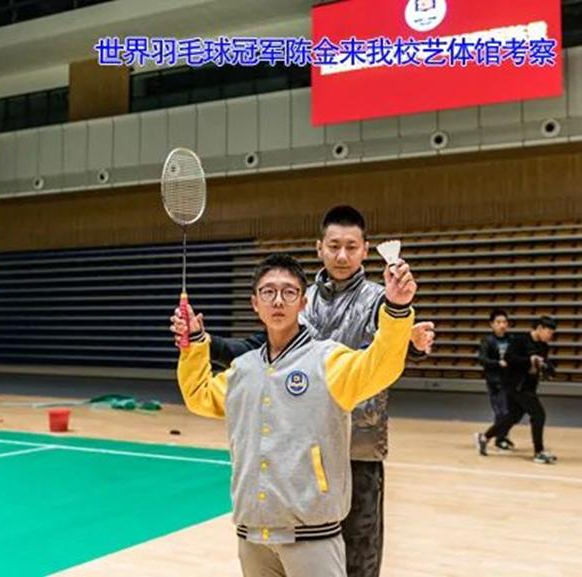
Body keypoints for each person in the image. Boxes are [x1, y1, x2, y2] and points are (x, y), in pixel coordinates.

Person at [171, 205, 434, 577]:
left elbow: (379, 363)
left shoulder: (374, 302)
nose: (279, 301)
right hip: (265, 509)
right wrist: (198, 342)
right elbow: (224, 376)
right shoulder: (257, 356)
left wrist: (400, 314)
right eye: (334, 246)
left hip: (355, 446)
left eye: (351, 247)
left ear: (365, 249)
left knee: (360, 560)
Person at [477, 316, 558, 464]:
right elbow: (509, 359)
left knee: (513, 417)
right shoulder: (520, 340)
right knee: (538, 415)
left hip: (529, 386)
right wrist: (529, 360)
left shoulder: (543, 346)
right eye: (548, 332)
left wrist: (548, 369)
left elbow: (545, 363)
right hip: (516, 386)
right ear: (539, 328)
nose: (550, 336)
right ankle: (539, 452)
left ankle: (484, 437)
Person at [477, 309, 515, 451]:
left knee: (509, 412)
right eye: (498, 322)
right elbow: (482, 359)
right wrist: (498, 363)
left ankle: (501, 436)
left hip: (510, 380)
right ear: (492, 324)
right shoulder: (487, 341)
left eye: (504, 322)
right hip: (495, 381)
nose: (502, 325)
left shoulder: (511, 340)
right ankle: (498, 438)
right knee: (501, 412)